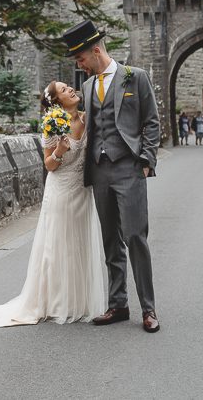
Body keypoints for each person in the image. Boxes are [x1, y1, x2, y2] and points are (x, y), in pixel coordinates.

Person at [0, 81, 108, 327]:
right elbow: (49, 164)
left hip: (82, 190)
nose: (71, 89)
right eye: (64, 90)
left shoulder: (87, 117)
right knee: (58, 245)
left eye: (69, 86)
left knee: (79, 243)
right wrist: (59, 151)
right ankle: (55, 302)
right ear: (57, 101)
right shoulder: (52, 124)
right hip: (61, 190)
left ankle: (77, 302)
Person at [64, 19, 161, 333]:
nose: (79, 65)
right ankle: (118, 304)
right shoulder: (87, 86)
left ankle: (148, 309)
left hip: (129, 169)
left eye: (80, 58)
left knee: (135, 238)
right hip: (100, 171)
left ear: (95, 51)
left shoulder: (136, 77)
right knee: (110, 241)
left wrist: (146, 161)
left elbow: (151, 121)